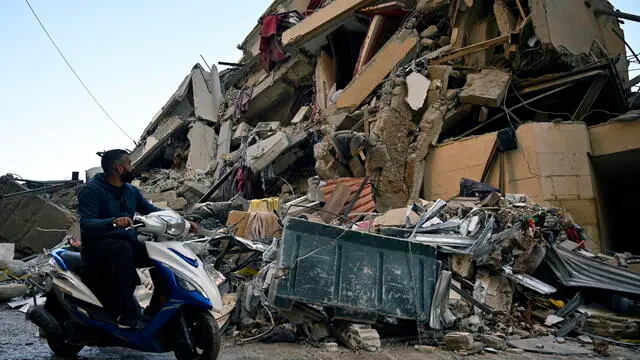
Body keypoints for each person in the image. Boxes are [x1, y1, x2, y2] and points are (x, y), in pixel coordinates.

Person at [78, 149, 196, 329]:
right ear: (119, 168)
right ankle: (123, 310)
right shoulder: (92, 190)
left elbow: (153, 210)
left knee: (162, 255)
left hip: (126, 243)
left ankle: (158, 306)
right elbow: (87, 223)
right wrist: (113, 222)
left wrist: (181, 220)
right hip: (97, 248)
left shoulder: (131, 191)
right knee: (122, 250)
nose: (133, 167)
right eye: (129, 164)